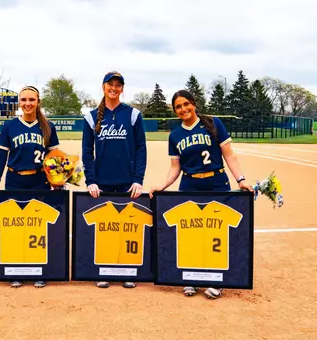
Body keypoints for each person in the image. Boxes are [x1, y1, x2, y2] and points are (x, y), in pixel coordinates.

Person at [149, 89, 253, 299]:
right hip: (189, 185)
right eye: (178, 106)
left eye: (186, 104)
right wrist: (163, 185)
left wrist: (241, 180)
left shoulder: (213, 123)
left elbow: (229, 156)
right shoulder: (175, 135)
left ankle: (217, 279)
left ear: (194, 104)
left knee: (217, 231)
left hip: (216, 182)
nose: (183, 109)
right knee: (192, 233)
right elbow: (175, 167)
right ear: (175, 110)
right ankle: (191, 278)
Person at [0, 85, 60, 289]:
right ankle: (16, 268)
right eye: (24, 100)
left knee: (38, 226)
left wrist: (57, 182)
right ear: (19, 102)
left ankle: (38, 268)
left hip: (40, 182)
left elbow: (55, 159)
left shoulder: (48, 127)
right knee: (16, 227)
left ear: (38, 102)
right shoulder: (10, 126)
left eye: (32, 100)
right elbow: (0, 159)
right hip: (14, 181)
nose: (28, 103)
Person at [82, 71, 147, 289]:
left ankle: (127, 270)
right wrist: (90, 180)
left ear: (122, 89)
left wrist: (138, 179)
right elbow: (86, 152)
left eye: (118, 85)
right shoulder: (91, 117)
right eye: (111, 84)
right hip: (102, 183)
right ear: (103, 87)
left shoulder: (133, 115)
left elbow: (141, 149)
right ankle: (105, 269)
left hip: (127, 182)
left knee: (126, 227)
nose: (114, 88)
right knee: (106, 228)